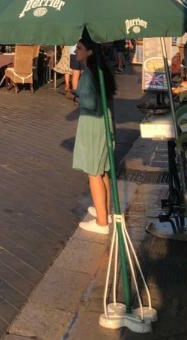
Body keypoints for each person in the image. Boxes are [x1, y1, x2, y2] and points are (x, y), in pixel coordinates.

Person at [73, 35, 116, 235]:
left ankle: (101, 222)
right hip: (104, 122)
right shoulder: (100, 71)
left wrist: (77, 96)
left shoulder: (88, 74)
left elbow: (89, 103)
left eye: (79, 48)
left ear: (89, 51)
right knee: (102, 169)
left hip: (93, 125)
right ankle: (104, 211)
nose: (76, 51)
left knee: (94, 172)